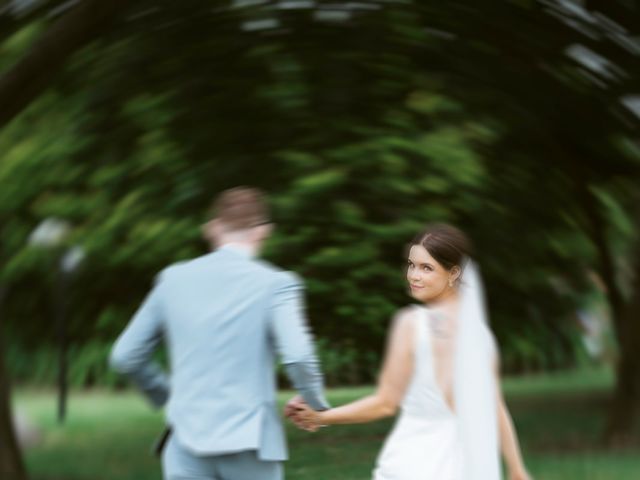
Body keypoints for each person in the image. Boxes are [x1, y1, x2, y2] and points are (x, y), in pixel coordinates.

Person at [109, 186, 329, 480]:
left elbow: (125, 355)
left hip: (184, 442)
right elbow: (299, 356)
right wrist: (316, 404)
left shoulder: (172, 280)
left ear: (212, 229)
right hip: (250, 442)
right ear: (263, 231)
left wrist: (167, 395)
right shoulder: (276, 284)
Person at [290, 224, 531, 480]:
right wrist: (516, 469)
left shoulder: (413, 324)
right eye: (411, 265)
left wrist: (321, 417)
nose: (413, 275)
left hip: (414, 463)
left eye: (426, 268)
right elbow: (494, 406)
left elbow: (384, 404)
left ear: (453, 273)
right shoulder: (481, 335)